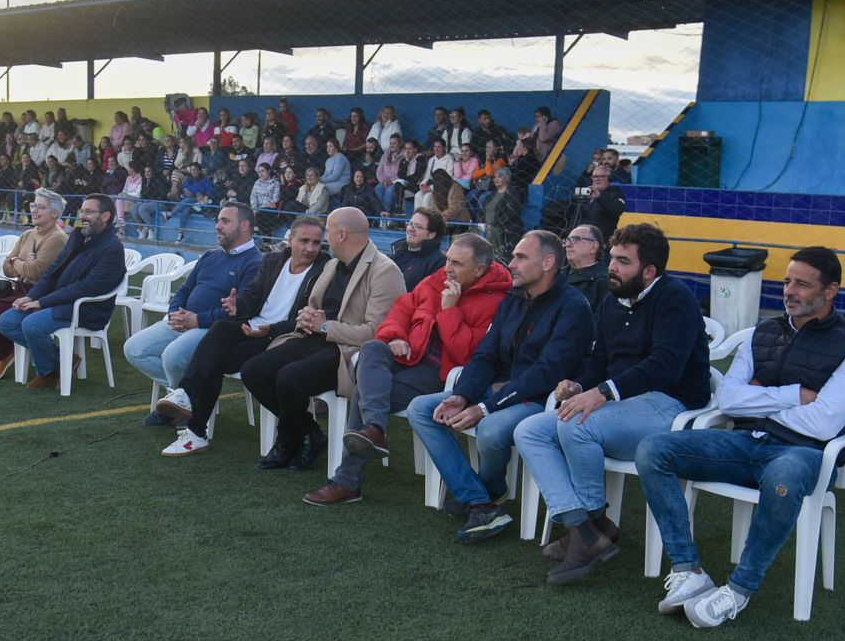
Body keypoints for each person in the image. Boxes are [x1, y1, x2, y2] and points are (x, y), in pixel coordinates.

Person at [636, 246, 845, 628]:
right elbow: (728, 399)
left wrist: (757, 398)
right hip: (744, 443)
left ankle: (738, 590)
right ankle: (688, 569)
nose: (789, 291)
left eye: (802, 284)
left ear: (831, 291)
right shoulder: (763, 332)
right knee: (654, 449)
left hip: (804, 455)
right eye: (786, 281)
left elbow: (824, 424)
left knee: (784, 480)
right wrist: (794, 395)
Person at [515, 222, 712, 585]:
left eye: (623, 262)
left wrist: (603, 392)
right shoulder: (611, 300)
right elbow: (600, 362)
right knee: (529, 430)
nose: (612, 268)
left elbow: (665, 365)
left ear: (649, 270)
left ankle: (591, 526)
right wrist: (579, 384)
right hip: (624, 404)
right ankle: (584, 529)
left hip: (671, 403)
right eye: (612, 259)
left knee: (577, 424)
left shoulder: (675, 297)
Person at [407, 230, 593, 542]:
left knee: (490, 430)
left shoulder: (573, 306)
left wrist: (485, 407)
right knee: (422, 409)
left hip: (539, 398)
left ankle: (487, 493)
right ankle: (480, 500)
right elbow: (485, 354)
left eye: (521, 257)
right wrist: (462, 395)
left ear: (548, 262)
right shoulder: (514, 298)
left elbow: (547, 373)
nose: (512, 263)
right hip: (495, 390)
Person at [305, 234, 511, 506]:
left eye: (457, 263)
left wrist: (450, 311)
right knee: (372, 348)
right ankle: (374, 430)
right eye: (448, 259)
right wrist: (395, 336)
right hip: (410, 354)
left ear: (480, 270)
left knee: (363, 395)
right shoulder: (437, 279)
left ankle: (349, 477)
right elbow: (402, 308)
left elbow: (470, 356)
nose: (447, 267)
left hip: (442, 373)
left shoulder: (498, 300)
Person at [242, 208, 405, 472]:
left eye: (327, 232)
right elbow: (315, 305)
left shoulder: (385, 271)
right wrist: (307, 316)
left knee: (289, 377)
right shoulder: (332, 264)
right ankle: (309, 433)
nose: (324, 239)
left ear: (341, 235)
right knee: (254, 370)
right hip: (314, 337)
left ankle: (286, 442)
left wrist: (326, 325)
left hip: (348, 350)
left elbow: (377, 333)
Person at [156, 217, 330, 455]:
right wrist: (238, 305)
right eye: (304, 241)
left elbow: (305, 318)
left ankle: (194, 430)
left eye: (316, 243)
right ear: (290, 239)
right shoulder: (273, 260)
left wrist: (271, 329)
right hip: (252, 327)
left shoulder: (324, 269)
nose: (310, 248)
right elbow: (253, 294)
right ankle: (188, 404)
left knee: (215, 360)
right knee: (221, 328)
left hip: (282, 336)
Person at [130, 202, 264, 423]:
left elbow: (240, 310)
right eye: (218, 220)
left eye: (225, 221)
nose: (217, 226)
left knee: (172, 357)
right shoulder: (211, 255)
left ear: (245, 225)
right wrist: (175, 313)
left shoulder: (255, 262)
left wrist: (196, 320)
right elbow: (185, 289)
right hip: (184, 321)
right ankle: (185, 398)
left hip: (212, 329)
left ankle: (180, 403)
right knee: (134, 349)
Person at [0, 194, 127, 389]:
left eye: (89, 212)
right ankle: (61, 361)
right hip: (61, 302)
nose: (83, 216)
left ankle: (47, 372)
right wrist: (31, 296)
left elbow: (85, 288)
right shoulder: (79, 237)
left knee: (32, 324)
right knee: (6, 321)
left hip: (85, 308)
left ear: (106, 216)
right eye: (82, 211)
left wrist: (42, 302)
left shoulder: (112, 249)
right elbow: (51, 273)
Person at [0, 190, 70, 380]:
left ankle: (3, 354)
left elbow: (35, 272)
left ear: (55, 214)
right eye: (33, 206)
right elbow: (6, 267)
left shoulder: (57, 238)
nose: (35, 211)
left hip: (37, 292)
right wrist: (20, 263)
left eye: (41, 207)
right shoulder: (28, 234)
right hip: (19, 287)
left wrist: (16, 262)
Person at [391, 207, 447, 290]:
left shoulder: (438, 262)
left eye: (418, 227)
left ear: (431, 235)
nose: (410, 229)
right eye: (410, 224)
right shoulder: (396, 252)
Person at [576, 165, 627, 243]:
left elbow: (617, 209)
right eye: (594, 176)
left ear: (609, 179)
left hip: (602, 241)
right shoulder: (588, 194)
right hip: (582, 239)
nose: (597, 179)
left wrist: (599, 196)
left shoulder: (616, 193)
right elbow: (577, 216)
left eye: (601, 176)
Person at [483, 167, 524, 264]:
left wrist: (492, 224)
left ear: (507, 178)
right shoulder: (491, 195)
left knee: (492, 233)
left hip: (506, 226)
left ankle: (490, 261)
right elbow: (482, 211)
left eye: (499, 177)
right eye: (494, 177)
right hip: (488, 226)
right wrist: (484, 224)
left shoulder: (513, 193)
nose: (495, 179)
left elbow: (511, 214)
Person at [564, 223, 607, 310]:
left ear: (594, 246)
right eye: (567, 240)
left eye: (575, 239)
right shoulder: (555, 276)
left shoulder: (606, 282)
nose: (567, 245)